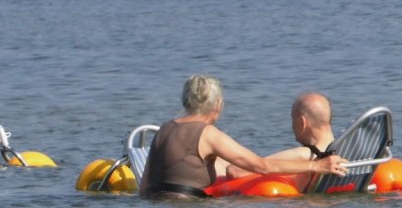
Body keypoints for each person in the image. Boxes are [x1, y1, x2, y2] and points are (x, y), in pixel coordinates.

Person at [139, 75, 346, 199]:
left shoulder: (164, 128)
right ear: (218, 105)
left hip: (156, 207)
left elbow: (144, 185)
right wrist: (317, 166)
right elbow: (260, 166)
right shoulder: (209, 134)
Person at [221, 91, 338, 192]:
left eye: (293, 119)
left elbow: (236, 171)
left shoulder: (303, 155)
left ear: (302, 123)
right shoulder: (345, 151)